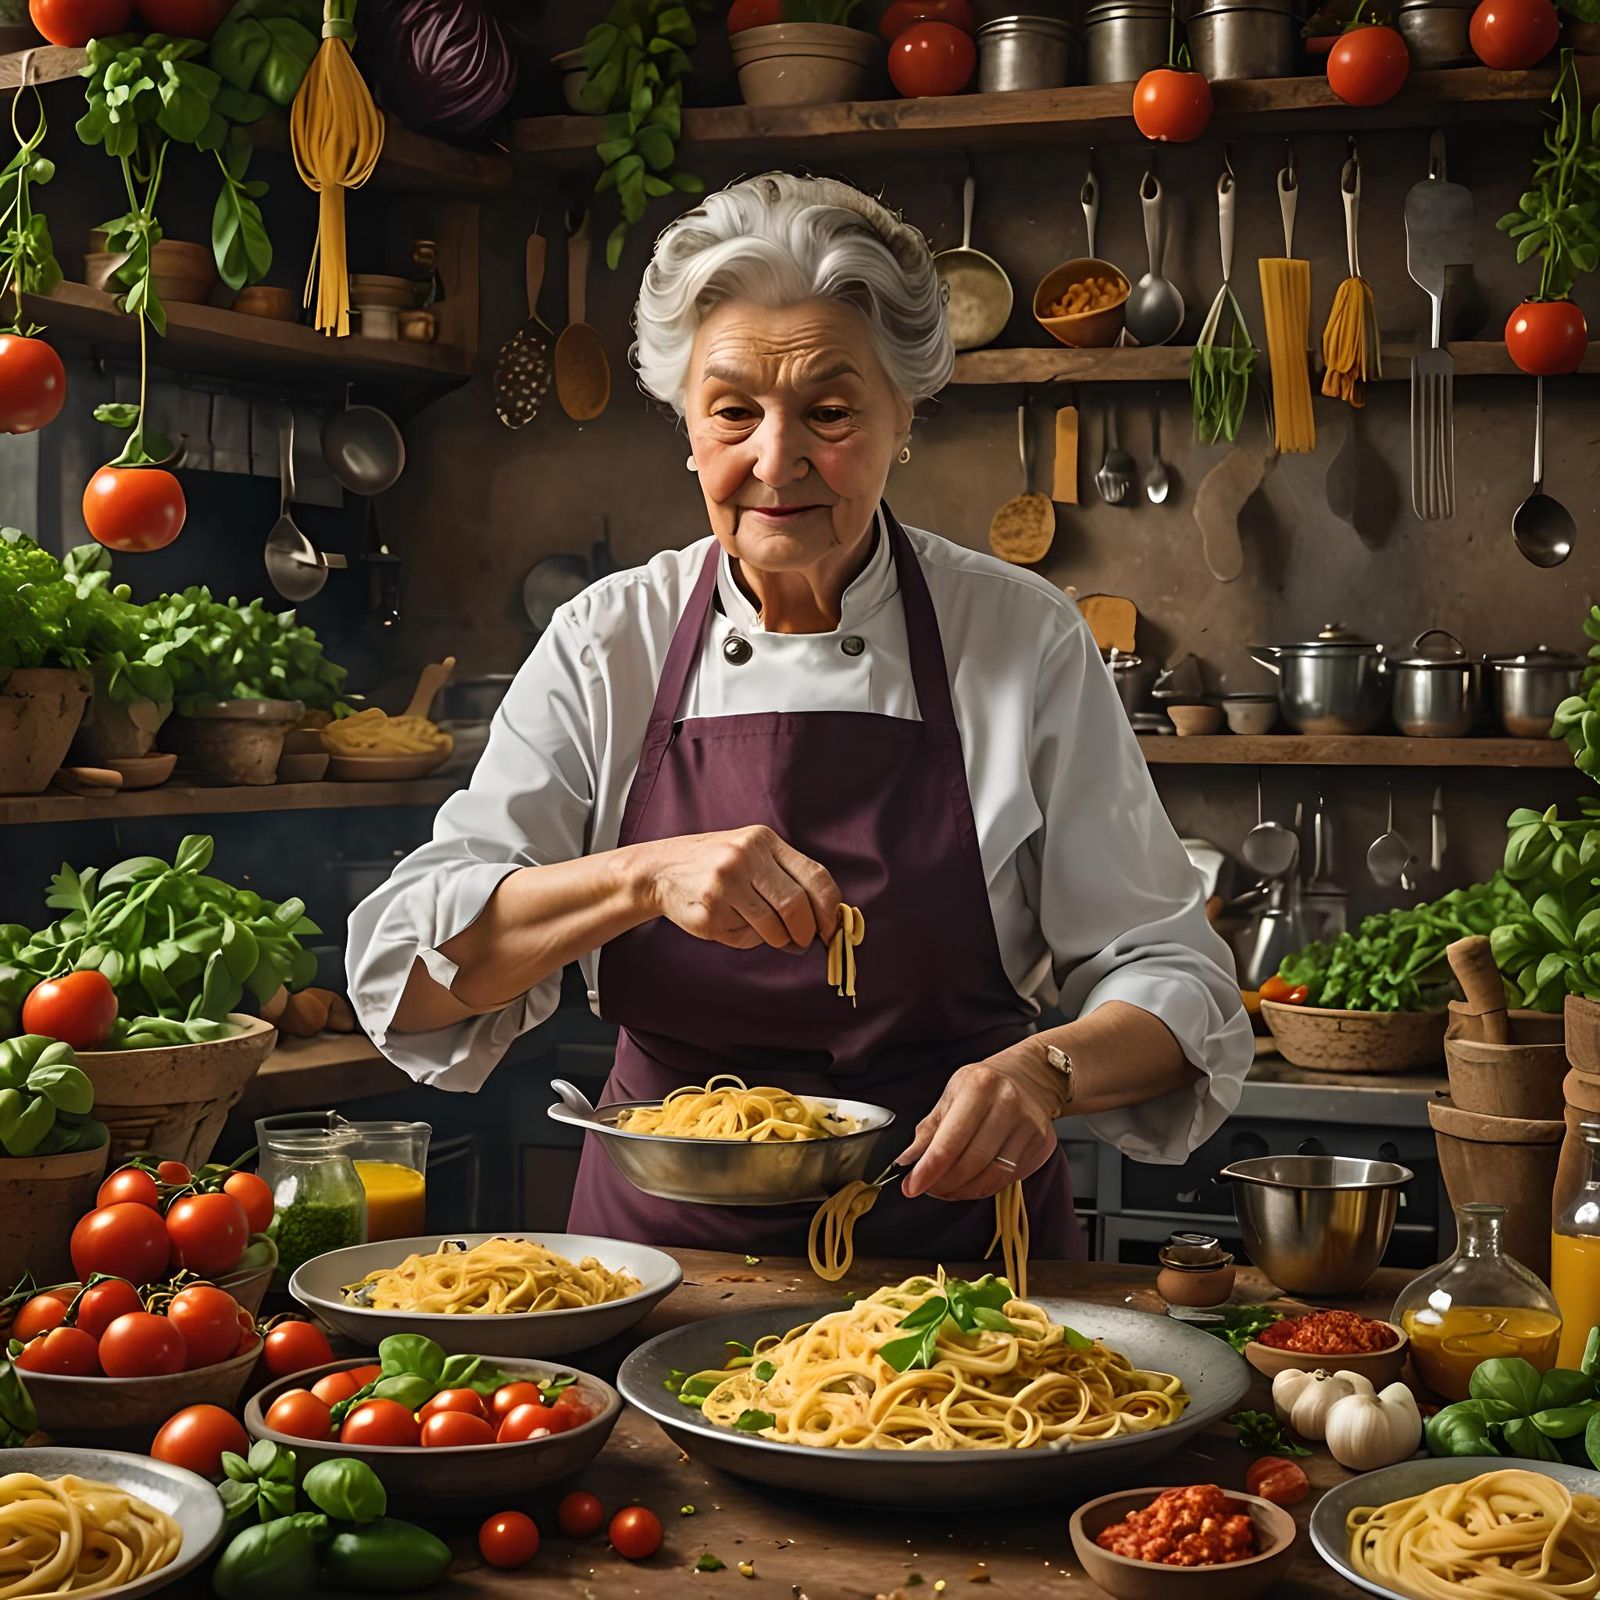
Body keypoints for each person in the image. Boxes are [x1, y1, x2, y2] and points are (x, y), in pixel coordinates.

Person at [347, 171, 1252, 1262]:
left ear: (900, 418)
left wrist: (1044, 1070)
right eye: (734, 411)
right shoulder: (607, 641)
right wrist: (638, 877)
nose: (777, 464)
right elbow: (409, 974)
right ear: (685, 421)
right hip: (658, 1258)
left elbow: (1176, 975)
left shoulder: (1019, 635)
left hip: (951, 1243)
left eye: (828, 412)